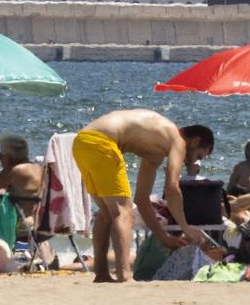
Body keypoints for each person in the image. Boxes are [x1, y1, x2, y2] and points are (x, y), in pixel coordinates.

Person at [72, 109, 215, 284]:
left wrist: (164, 237)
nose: (192, 162)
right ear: (194, 141)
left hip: (82, 142)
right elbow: (172, 188)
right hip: (102, 143)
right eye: (198, 155)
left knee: (107, 214)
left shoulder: (154, 152)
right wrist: (185, 228)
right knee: (123, 212)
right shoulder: (177, 141)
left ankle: (102, 274)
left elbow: (142, 199)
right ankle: (125, 275)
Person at [0, 134, 44, 233]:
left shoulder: (14, 170)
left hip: (21, 222)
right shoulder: (38, 168)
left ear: (9, 157)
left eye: (0, 156)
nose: (0, 160)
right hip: (40, 222)